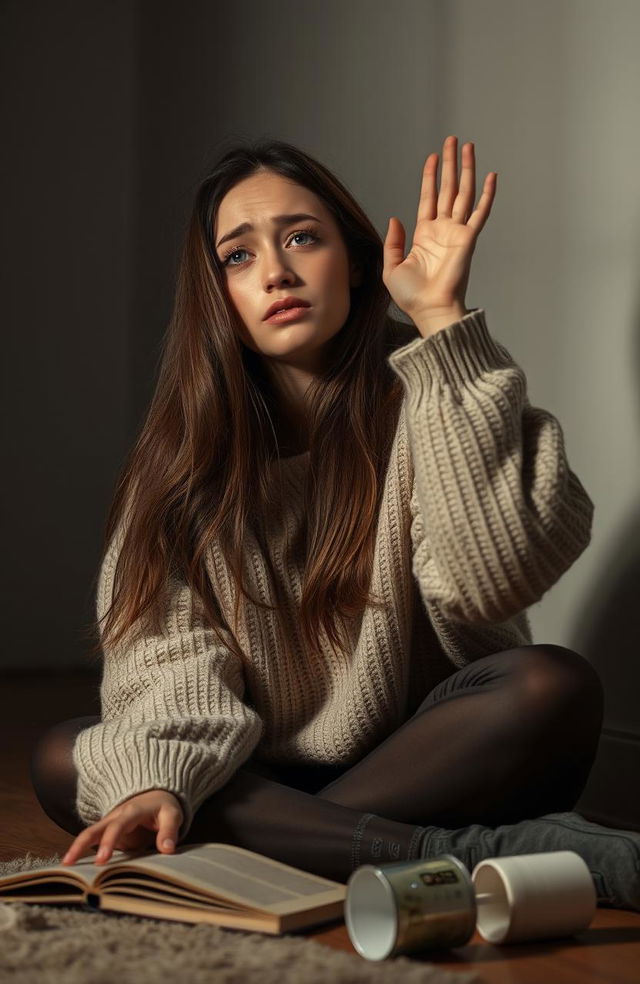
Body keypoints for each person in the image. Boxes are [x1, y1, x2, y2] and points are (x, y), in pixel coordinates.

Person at [30, 135, 639, 911]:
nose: (276, 272)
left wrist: (441, 323)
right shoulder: (185, 464)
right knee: (69, 757)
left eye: (300, 238)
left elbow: (491, 582)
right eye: (238, 257)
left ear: (353, 261)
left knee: (551, 684)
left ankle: (291, 846)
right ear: (216, 296)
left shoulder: (443, 388)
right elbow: (165, 666)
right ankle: (453, 856)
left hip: (436, 760)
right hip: (255, 770)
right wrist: (161, 780)